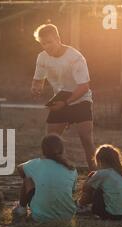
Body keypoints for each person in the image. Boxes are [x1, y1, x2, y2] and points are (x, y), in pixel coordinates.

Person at [31, 23, 96, 170]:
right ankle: (52, 172)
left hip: (81, 99)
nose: (47, 46)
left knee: (86, 139)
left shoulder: (75, 57)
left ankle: (95, 174)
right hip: (60, 98)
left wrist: (66, 103)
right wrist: (36, 88)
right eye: (43, 43)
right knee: (50, 142)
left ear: (58, 39)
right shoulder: (42, 57)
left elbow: (84, 86)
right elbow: (38, 80)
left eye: (49, 42)